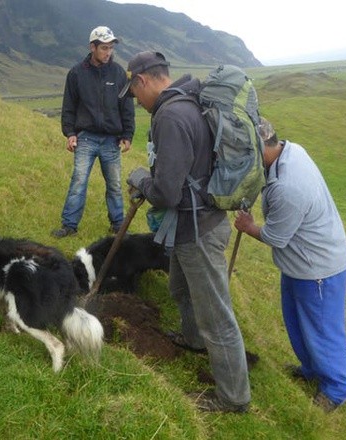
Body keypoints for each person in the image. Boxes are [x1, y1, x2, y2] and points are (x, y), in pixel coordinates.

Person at [123, 51, 250, 413]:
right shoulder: (189, 102)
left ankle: (233, 398)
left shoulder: (171, 116)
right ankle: (193, 340)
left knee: (217, 318)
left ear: (142, 81)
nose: (136, 102)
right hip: (195, 222)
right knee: (179, 287)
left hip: (198, 230)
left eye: (134, 93)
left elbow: (166, 192)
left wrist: (140, 178)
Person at [234, 117, 346, 412]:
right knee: (299, 324)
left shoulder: (289, 186)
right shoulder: (290, 150)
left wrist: (249, 226)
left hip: (319, 270)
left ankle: (336, 390)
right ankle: (312, 369)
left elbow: (275, 236)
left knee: (324, 330)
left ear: (259, 148)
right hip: (301, 265)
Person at [51, 26, 135, 238]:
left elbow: (127, 107)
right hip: (85, 137)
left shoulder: (118, 74)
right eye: (104, 48)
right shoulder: (76, 74)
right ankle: (69, 226)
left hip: (111, 140)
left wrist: (127, 135)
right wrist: (70, 133)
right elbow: (69, 106)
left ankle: (118, 227)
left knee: (115, 185)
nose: (108, 53)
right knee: (78, 182)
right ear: (93, 47)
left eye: (111, 48)